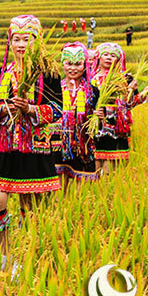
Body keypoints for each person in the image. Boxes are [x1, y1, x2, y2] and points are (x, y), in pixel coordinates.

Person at [0, 15, 62, 272]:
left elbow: (57, 110)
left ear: (37, 42)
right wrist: (3, 110)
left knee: (32, 208)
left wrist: (30, 109)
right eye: (15, 39)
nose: (20, 44)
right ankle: (5, 253)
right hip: (5, 149)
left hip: (34, 148)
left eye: (26, 39)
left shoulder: (48, 75)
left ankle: (28, 256)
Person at [90, 42, 148, 175]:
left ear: (119, 59)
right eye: (105, 54)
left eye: (113, 55)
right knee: (94, 165)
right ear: (99, 58)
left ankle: (109, 190)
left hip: (116, 128)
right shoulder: (91, 79)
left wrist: (140, 92)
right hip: (96, 127)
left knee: (111, 169)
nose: (108, 58)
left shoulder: (125, 79)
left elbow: (129, 104)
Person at [53, 42, 100, 190]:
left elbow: (99, 122)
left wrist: (98, 116)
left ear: (85, 65)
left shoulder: (93, 91)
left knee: (82, 190)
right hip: (58, 144)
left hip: (83, 144)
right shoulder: (55, 89)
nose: (73, 68)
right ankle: (60, 212)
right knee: (59, 189)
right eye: (69, 64)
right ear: (63, 64)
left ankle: (77, 211)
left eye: (78, 64)